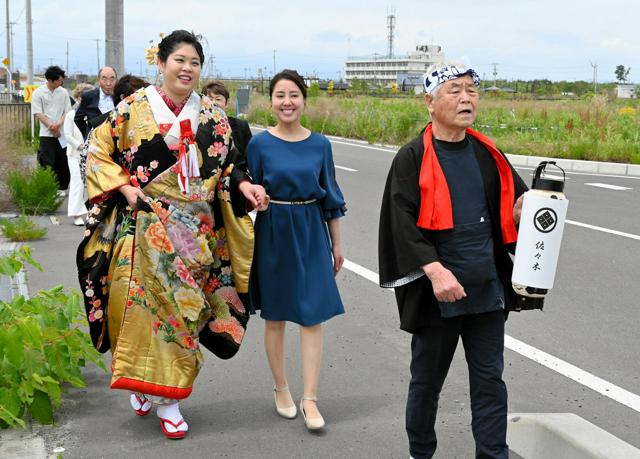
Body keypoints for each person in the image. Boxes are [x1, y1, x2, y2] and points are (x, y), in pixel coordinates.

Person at [76, 30, 268, 440]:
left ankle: (150, 386)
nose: (187, 68)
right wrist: (125, 187)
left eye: (194, 62)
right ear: (160, 64)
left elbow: (229, 169)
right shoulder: (131, 109)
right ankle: (169, 401)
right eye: (179, 60)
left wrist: (244, 187)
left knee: (182, 313)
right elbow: (97, 149)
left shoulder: (214, 119)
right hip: (146, 226)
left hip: (195, 237)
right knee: (149, 314)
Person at [378, 62, 532, 459]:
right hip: (438, 295)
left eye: (472, 90)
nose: (466, 98)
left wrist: (528, 210)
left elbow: (515, 203)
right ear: (429, 101)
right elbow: (401, 223)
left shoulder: (488, 153)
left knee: (489, 382)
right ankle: (421, 453)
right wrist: (434, 270)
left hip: (485, 289)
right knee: (427, 384)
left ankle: (493, 455)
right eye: (454, 90)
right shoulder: (413, 157)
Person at [247, 69, 346, 431]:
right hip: (273, 231)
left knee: (311, 316)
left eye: (293, 95)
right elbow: (248, 191)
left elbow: (331, 196)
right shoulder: (259, 144)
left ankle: (310, 399)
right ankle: (281, 388)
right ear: (271, 102)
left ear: (304, 100)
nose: (286, 102)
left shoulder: (321, 144)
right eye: (279, 96)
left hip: (310, 230)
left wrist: (337, 244)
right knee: (275, 316)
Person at [31, 65, 72, 194]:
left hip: (62, 133)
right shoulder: (38, 93)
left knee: (63, 160)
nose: (61, 82)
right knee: (47, 161)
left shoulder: (64, 92)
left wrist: (58, 125)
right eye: (59, 80)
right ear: (51, 80)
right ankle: (48, 187)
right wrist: (52, 127)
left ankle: (61, 187)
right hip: (46, 133)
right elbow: (38, 113)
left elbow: (68, 111)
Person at [63, 83, 94, 226]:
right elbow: (68, 135)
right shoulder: (70, 114)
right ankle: (76, 214)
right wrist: (80, 146)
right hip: (75, 154)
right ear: (79, 97)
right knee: (77, 182)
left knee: (90, 184)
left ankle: (90, 212)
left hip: (92, 154)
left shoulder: (93, 112)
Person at [202, 80, 252, 156]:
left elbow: (250, 157)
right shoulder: (197, 126)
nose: (214, 103)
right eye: (210, 99)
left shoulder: (241, 126)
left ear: (227, 103)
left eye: (218, 99)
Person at [74, 66, 116, 139]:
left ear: (116, 80)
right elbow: (78, 119)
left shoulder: (121, 97)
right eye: (104, 79)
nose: (108, 83)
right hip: (95, 144)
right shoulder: (89, 96)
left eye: (112, 79)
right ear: (99, 80)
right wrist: (88, 134)